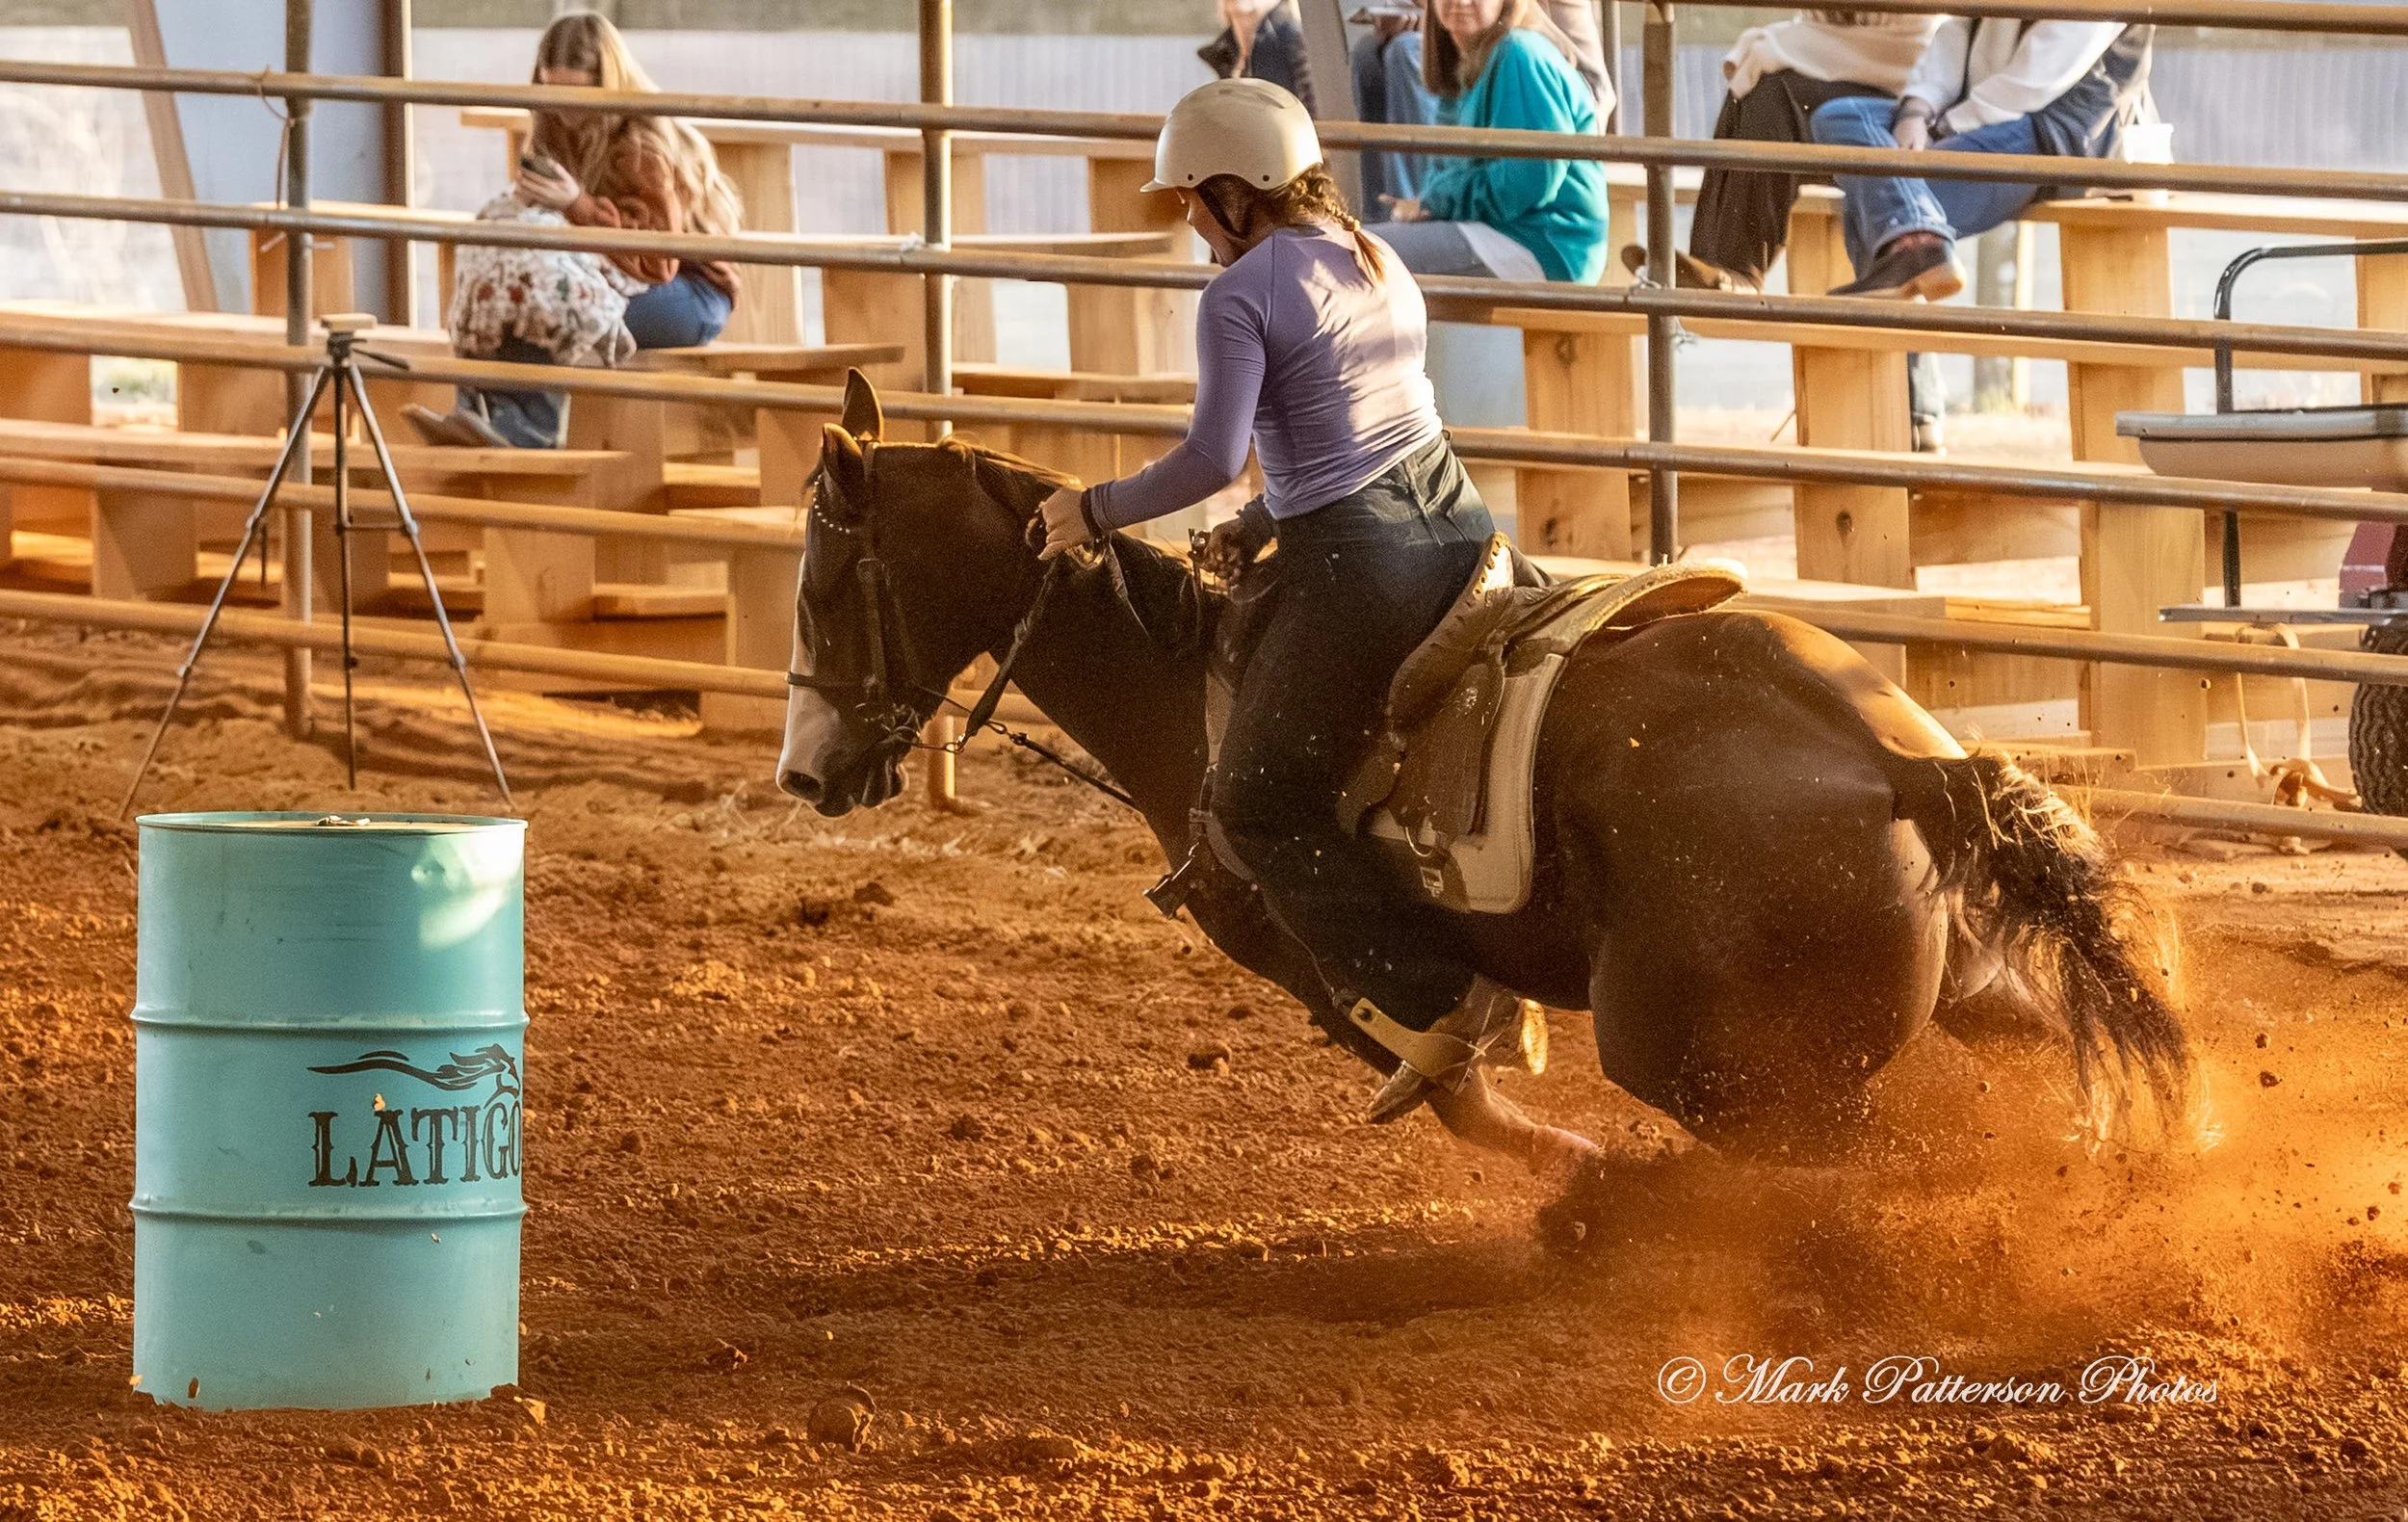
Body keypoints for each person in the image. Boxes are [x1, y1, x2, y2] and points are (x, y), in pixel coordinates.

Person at [1034, 78, 1539, 1122]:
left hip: (1365, 572)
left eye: (1189, 198)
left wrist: (1094, 507)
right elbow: (1374, 432)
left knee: (1259, 803)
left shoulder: (1239, 294)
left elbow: (1213, 456)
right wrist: (1261, 527)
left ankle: (1443, 998)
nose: (1186, 221)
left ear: (1235, 189)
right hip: (1462, 533)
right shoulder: (1376, 255)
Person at [410, 12, 744, 449]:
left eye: (575, 94)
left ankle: (529, 431)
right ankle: (479, 415)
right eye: (551, 90)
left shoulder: (644, 144)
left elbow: (658, 261)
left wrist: (576, 205)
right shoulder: (554, 128)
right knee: (510, 287)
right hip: (616, 271)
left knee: (549, 302)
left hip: (689, 292)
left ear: (607, 84)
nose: (563, 108)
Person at [1810, 18, 2158, 301]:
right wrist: (1915, 112)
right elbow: (1954, 32)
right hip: (1971, 121)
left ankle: (1917, 246)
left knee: (1882, 200)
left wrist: (1944, 129)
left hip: (2055, 139)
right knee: (1843, 116)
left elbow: (2034, 82)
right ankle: (1920, 246)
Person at [1642, 9, 1941, 292]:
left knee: (1767, 81)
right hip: (1840, 47)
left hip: (1898, 70)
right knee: (1760, 78)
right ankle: (1724, 267)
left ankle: (1735, 270)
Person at [1375, 0, 1608, 284]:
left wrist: (1434, 203)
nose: (1460, 2)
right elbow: (1445, 164)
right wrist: (1426, 203)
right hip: (1499, 230)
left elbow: (1528, 181)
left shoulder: (1520, 52)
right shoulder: (1464, 58)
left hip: (1544, 243)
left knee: (1358, 258)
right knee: (1350, 248)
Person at [1199, 0, 1318, 115]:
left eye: (1248, 15)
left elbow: (1312, 102)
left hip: (1284, 130)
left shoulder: (1289, 37)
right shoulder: (1224, 50)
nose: (1243, 22)